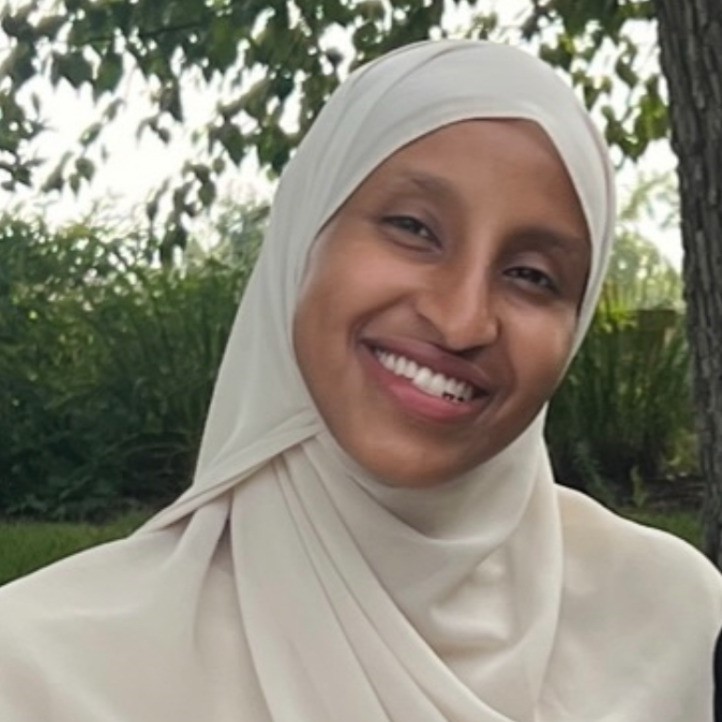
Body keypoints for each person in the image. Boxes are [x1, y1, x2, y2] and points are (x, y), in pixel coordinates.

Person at [0, 40, 720, 722]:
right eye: (413, 228)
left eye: (532, 276)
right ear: (302, 239)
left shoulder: (672, 621)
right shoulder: (50, 669)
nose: (463, 319)